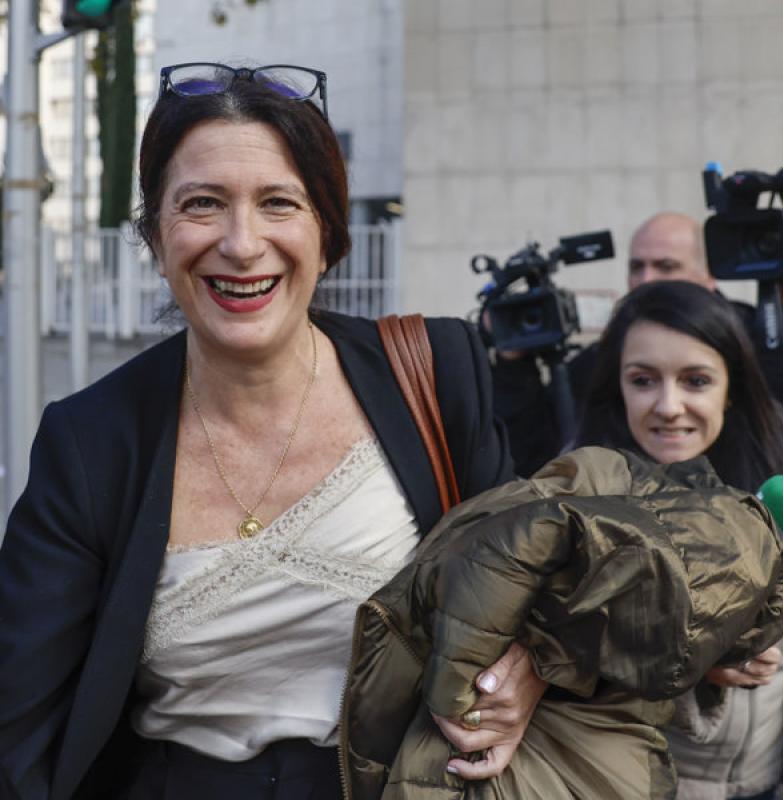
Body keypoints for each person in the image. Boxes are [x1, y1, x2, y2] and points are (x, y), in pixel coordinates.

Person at [0, 63, 544, 799]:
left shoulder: (433, 373)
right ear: (155, 237)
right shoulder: (90, 441)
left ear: (328, 233)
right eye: (201, 204)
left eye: (278, 203)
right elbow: (21, 720)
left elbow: (534, 581)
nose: (241, 243)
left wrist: (531, 671)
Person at [575, 281, 783, 800]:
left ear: (732, 385)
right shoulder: (574, 494)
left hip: (762, 782)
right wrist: (692, 668)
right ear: (617, 385)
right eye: (643, 380)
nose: (669, 406)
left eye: (696, 380)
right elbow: (558, 657)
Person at [492, 211, 740, 476]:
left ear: (709, 274)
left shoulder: (753, 338)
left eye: (666, 266)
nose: (646, 279)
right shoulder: (599, 361)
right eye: (642, 381)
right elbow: (530, 453)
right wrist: (514, 368)